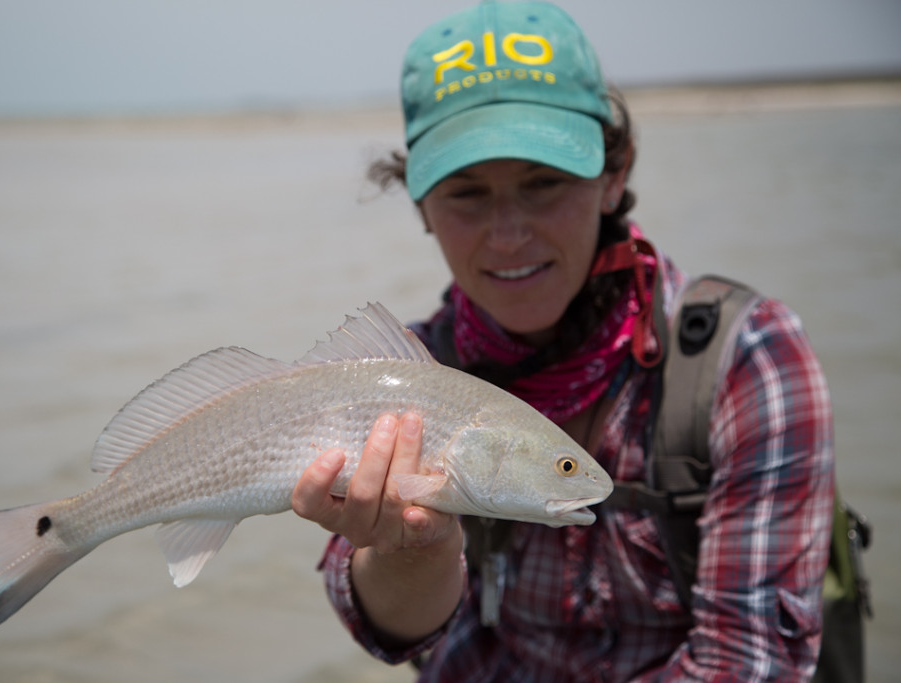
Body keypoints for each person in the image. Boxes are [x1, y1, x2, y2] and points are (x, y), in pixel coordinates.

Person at [291, 2, 835, 680]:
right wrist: (413, 550)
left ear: (613, 175)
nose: (510, 232)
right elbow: (382, 627)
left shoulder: (746, 359)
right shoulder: (396, 373)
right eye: (465, 192)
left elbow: (751, 661)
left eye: (544, 183)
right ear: (420, 205)